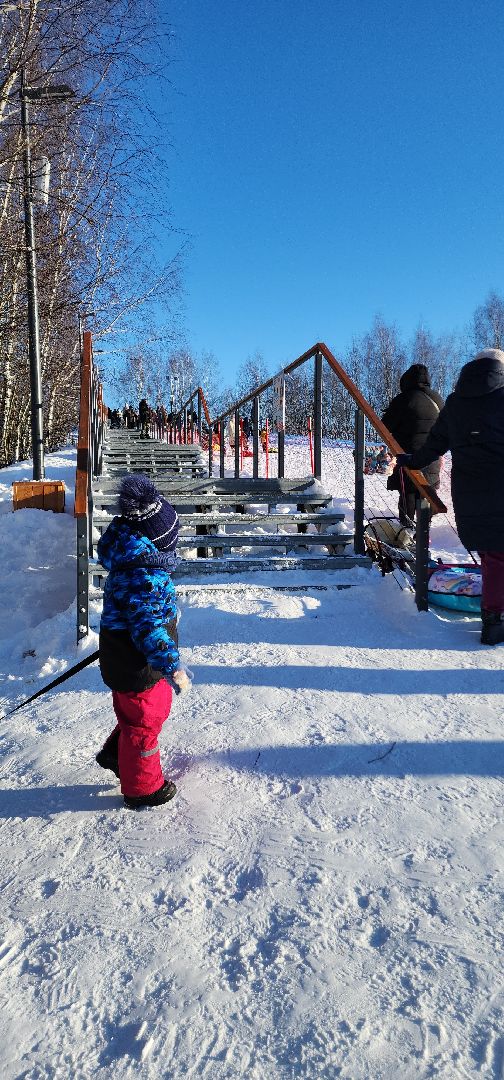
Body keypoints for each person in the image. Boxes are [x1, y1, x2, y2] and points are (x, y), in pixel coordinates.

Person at [95, 473, 192, 807]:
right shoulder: (144, 575)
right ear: (158, 540)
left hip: (123, 658)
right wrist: (172, 666)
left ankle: (115, 754)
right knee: (145, 725)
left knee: (134, 716)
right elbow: (148, 628)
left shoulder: (131, 562)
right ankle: (144, 789)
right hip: (137, 663)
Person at [395, 349, 504, 646]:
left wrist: (411, 461)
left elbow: (435, 445)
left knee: (493, 556)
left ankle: (493, 622)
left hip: (470, 494)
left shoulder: (456, 403)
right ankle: (494, 621)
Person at [382, 364, 444, 526]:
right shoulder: (438, 399)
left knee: (408, 495)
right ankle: (423, 537)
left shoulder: (404, 399)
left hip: (408, 456)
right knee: (426, 494)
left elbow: (385, 426)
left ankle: (407, 532)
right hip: (432, 457)